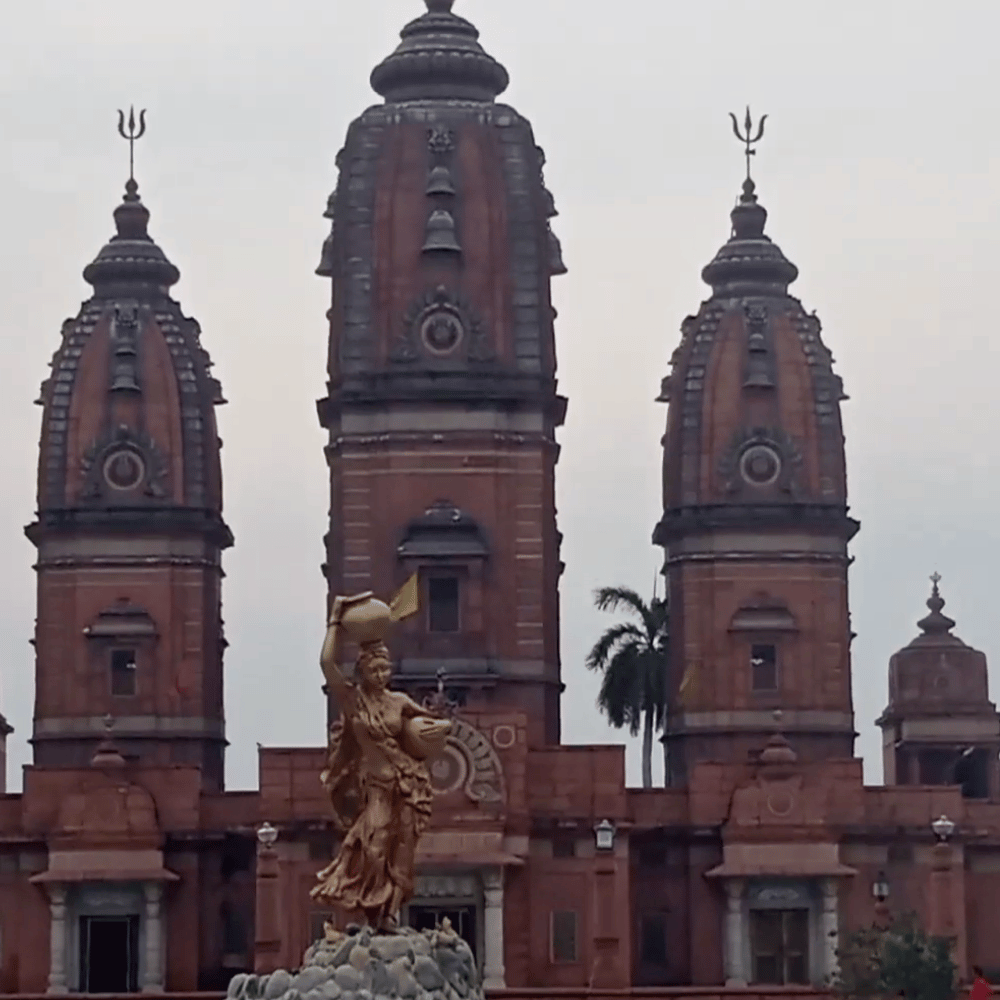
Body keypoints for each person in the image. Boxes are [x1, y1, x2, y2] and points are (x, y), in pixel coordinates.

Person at [310, 593, 451, 931]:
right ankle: (369, 908)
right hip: (375, 785)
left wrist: (437, 724)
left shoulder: (399, 701)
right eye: (374, 668)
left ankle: (388, 914)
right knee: (374, 846)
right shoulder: (353, 702)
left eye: (385, 668)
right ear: (362, 670)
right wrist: (335, 621)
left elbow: (435, 721)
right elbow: (328, 665)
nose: (381, 673)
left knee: (402, 851)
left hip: (408, 784)